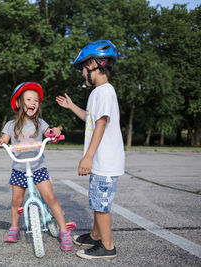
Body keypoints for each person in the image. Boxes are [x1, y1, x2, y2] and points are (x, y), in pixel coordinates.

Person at [56, 40, 125, 259]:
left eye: (83, 68)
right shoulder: (98, 93)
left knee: (101, 206)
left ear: (94, 64)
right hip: (101, 160)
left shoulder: (104, 91)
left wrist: (88, 157)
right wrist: (71, 107)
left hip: (104, 160)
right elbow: (91, 119)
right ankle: (96, 235)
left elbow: (101, 124)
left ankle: (107, 246)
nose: (82, 73)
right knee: (96, 201)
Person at [0, 82, 74, 252]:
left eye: (36, 100)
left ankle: (64, 231)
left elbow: (49, 132)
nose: (33, 103)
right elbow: (4, 140)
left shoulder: (40, 123)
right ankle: (14, 228)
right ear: (19, 103)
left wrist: (55, 131)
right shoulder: (10, 125)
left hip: (38, 167)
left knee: (50, 198)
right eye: (28, 99)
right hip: (19, 169)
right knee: (16, 201)